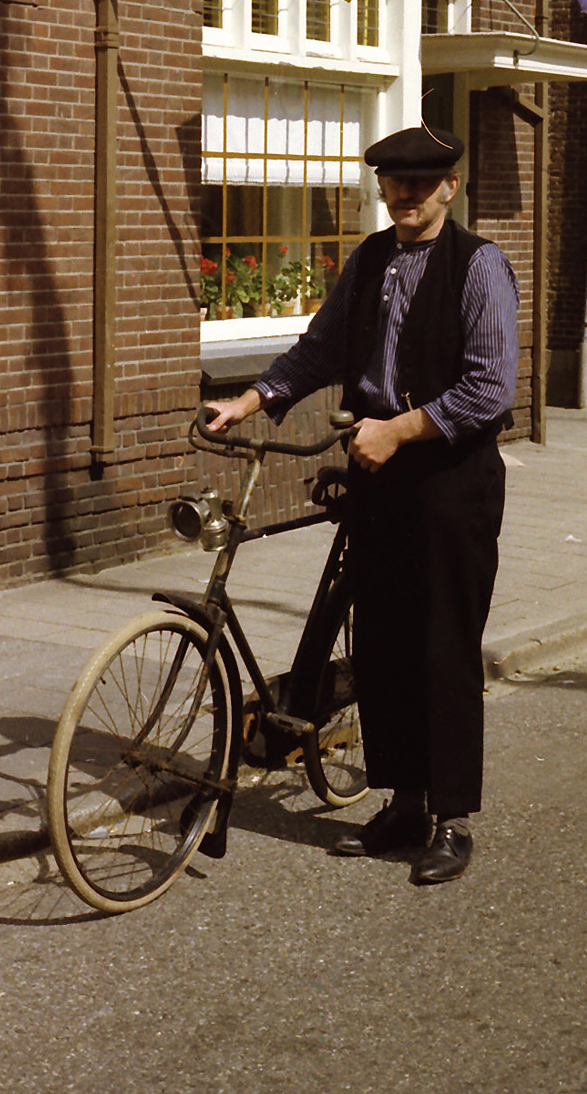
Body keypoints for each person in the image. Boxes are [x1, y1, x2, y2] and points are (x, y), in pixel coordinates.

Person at [205, 125, 518, 884]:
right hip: (378, 480)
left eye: (422, 182)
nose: (406, 194)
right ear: (382, 187)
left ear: (450, 186)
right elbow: (320, 349)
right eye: (393, 182)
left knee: (443, 645)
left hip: (449, 479)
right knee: (381, 645)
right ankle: (403, 802)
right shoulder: (371, 260)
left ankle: (452, 818)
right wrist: (251, 399)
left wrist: (402, 429)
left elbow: (490, 385)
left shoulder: (480, 266)